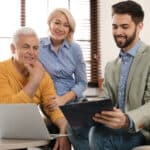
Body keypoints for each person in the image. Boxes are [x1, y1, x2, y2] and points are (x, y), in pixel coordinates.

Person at [67, 1, 150, 150]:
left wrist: (128, 119)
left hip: (140, 130)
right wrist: (88, 109)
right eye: (115, 26)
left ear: (140, 27)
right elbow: (105, 98)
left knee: (99, 135)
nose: (118, 32)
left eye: (124, 27)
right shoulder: (111, 66)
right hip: (115, 126)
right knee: (73, 128)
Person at [0, 27, 71, 150]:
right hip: (4, 127)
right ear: (13, 49)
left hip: (25, 127)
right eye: (26, 47)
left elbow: (52, 107)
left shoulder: (43, 75)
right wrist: (34, 81)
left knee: (60, 132)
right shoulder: (2, 71)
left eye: (35, 48)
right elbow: (10, 111)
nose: (32, 52)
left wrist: (63, 131)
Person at [39, 8, 87, 106]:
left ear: (69, 30)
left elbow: (82, 83)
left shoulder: (75, 49)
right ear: (49, 23)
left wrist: (63, 99)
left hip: (74, 102)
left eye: (66, 25)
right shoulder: (37, 46)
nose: (60, 28)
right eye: (57, 23)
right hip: (48, 102)